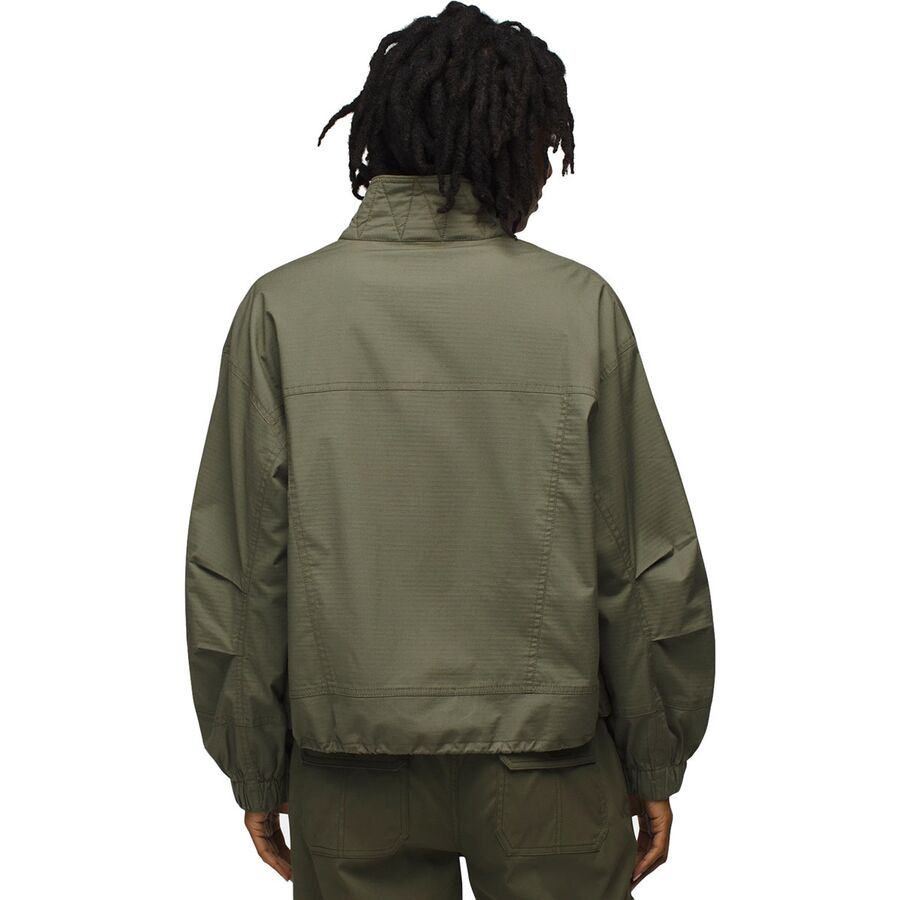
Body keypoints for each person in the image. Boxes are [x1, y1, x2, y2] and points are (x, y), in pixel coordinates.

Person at [183, 3, 716, 898]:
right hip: (552, 771)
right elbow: (642, 563)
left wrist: (258, 768)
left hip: (347, 773)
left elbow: (239, 572)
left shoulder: (281, 310)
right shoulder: (578, 309)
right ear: (518, 140)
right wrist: (654, 758)